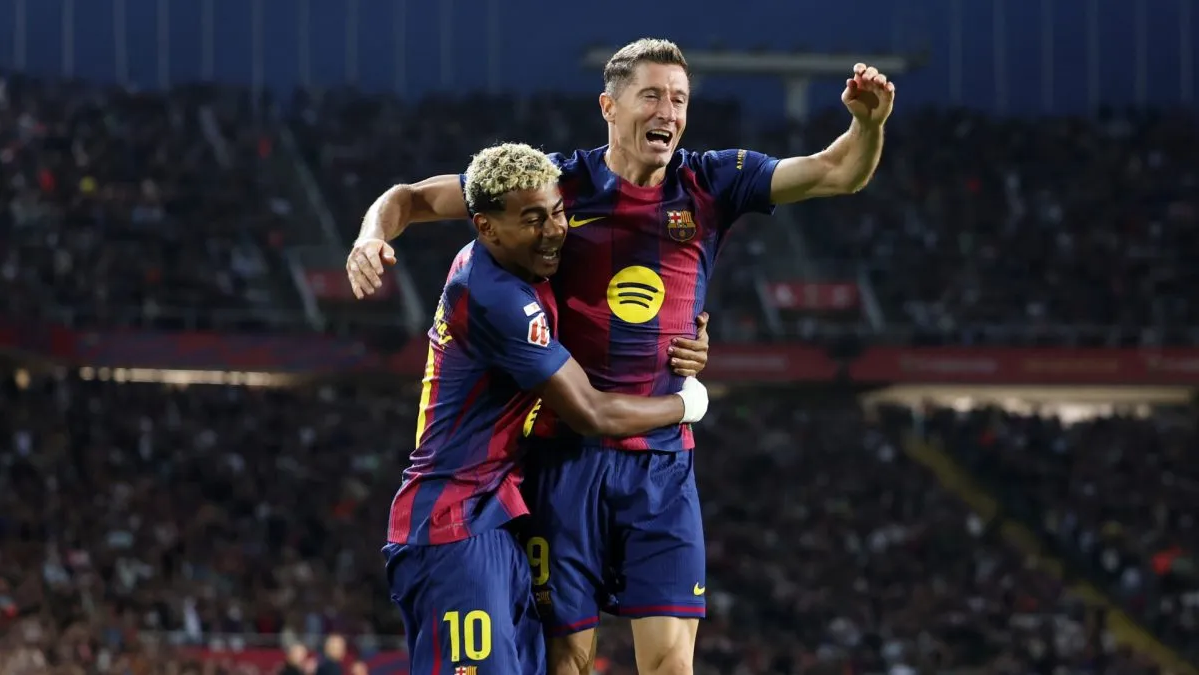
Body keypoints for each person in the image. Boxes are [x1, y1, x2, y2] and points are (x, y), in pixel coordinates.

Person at [350, 38, 895, 675]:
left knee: (670, 664)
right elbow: (414, 197)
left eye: (680, 99)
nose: (669, 111)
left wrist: (867, 125)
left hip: (661, 465)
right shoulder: (551, 188)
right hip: (564, 457)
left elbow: (837, 172)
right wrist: (370, 236)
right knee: (568, 662)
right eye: (652, 95)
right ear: (609, 106)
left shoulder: (712, 181)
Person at [382, 142, 713, 675]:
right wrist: (684, 403)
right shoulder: (495, 295)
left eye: (559, 212)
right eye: (534, 219)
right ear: (486, 227)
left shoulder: (519, 263)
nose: (556, 230)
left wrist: (679, 334)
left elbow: (409, 197)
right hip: (451, 525)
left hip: (499, 517)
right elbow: (591, 413)